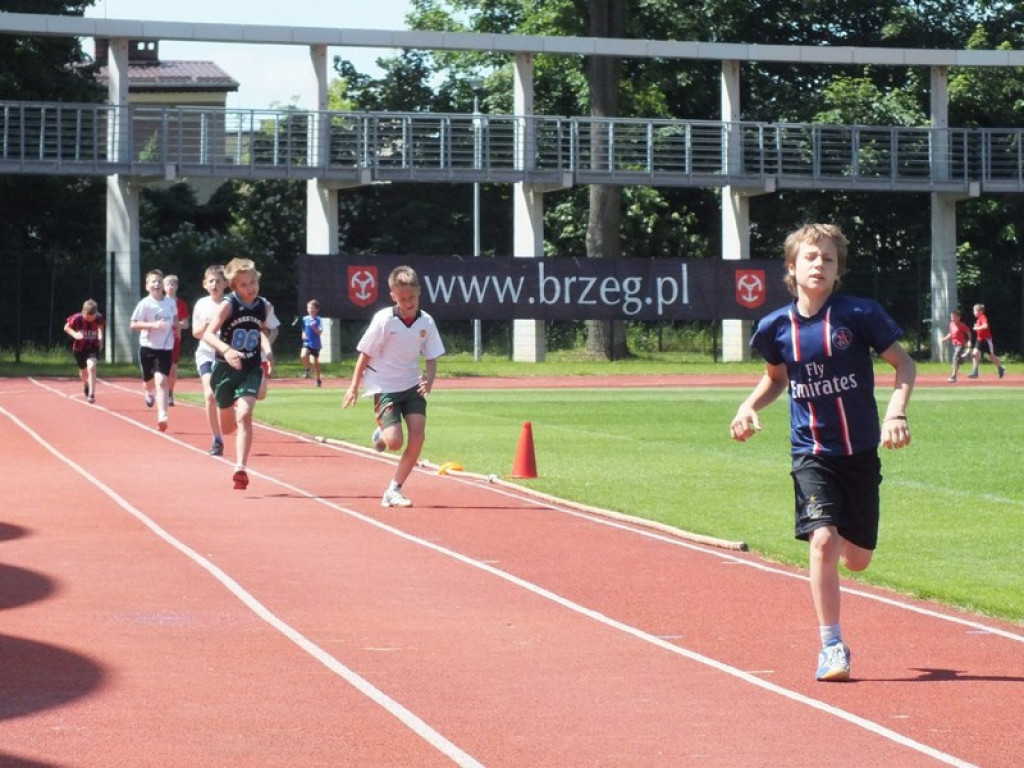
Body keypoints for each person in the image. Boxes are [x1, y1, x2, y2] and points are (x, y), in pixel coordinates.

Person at [729, 223, 915, 683]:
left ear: (838, 270)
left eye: (828, 259)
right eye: (811, 257)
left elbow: (905, 364)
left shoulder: (859, 315)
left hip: (860, 452)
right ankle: (832, 645)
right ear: (792, 267)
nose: (819, 265)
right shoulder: (775, 328)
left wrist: (896, 414)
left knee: (858, 559)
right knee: (824, 540)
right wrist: (748, 406)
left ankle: (850, 555)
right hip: (811, 452)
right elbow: (777, 378)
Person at [342, 266, 446, 508]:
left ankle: (394, 488)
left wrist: (429, 379)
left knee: (418, 436)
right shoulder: (384, 320)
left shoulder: (426, 322)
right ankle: (382, 432)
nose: (408, 303)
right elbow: (365, 354)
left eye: (412, 298)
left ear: (419, 292)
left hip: (411, 384)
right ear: (393, 297)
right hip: (384, 385)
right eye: (402, 299)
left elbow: (431, 358)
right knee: (395, 443)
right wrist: (353, 386)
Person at [202, 257, 274, 490]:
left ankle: (240, 468)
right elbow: (208, 334)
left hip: (251, 367)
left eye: (253, 282)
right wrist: (227, 349)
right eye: (243, 284)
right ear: (233, 287)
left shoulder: (264, 305)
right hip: (225, 369)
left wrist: (268, 351)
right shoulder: (228, 305)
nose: (250, 287)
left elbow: (260, 331)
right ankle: (239, 400)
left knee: (244, 415)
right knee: (227, 428)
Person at [129, 269, 178, 432]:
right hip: (148, 348)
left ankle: (162, 416)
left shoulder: (170, 302)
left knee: (161, 380)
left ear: (163, 284)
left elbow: (175, 316)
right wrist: (153, 325)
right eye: (153, 282)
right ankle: (149, 393)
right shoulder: (145, 304)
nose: (156, 284)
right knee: (148, 383)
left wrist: (176, 327)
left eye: (159, 281)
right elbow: (133, 324)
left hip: (165, 348)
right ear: (147, 286)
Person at [192, 265, 228, 456]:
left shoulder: (230, 304)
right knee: (209, 395)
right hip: (206, 355)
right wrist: (209, 325)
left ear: (226, 284)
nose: (214, 284)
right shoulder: (201, 304)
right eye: (211, 281)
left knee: (227, 399)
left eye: (218, 281)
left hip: (226, 356)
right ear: (205, 284)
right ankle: (217, 439)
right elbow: (195, 333)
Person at [63, 298, 105, 404]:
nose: (90, 319)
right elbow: (66, 327)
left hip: (92, 346)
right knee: (83, 371)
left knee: (92, 366)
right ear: (83, 312)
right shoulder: (77, 318)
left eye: (92, 317)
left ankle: (92, 394)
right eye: (88, 317)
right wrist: (75, 334)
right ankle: (86, 384)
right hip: (79, 348)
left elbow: (100, 328)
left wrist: (101, 339)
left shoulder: (99, 318)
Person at [163, 274, 190, 406]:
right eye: (168, 284)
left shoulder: (181, 304)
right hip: (160, 341)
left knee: (173, 369)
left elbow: (186, 324)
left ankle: (170, 393)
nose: (170, 287)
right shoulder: (159, 303)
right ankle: (160, 391)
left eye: (173, 284)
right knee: (162, 368)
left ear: (177, 286)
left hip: (174, 340)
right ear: (163, 287)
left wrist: (177, 324)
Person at [967, 303, 1006, 379]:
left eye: (975, 311)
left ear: (980, 311)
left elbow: (985, 326)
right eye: (974, 311)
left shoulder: (982, 317)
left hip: (986, 340)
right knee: (974, 354)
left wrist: (977, 328)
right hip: (979, 340)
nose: (973, 312)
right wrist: (977, 327)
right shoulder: (978, 319)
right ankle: (975, 372)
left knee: (991, 357)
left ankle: (1000, 368)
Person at [940, 309, 972, 383]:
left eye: (954, 317)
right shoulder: (951, 324)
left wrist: (969, 341)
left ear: (958, 317)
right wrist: (945, 339)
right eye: (951, 317)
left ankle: (953, 376)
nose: (952, 318)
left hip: (961, 344)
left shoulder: (962, 325)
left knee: (955, 359)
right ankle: (965, 357)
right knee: (957, 360)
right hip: (954, 344)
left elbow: (968, 332)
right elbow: (951, 334)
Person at [300, 299, 324, 387]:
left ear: (317, 309)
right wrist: (303, 334)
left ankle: (318, 379)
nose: (310, 310)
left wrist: (314, 327)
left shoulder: (319, 320)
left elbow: (319, 333)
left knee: (316, 363)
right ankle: (308, 369)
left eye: (312, 308)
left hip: (315, 343)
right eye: (309, 308)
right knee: (303, 356)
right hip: (307, 342)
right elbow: (303, 328)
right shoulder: (305, 319)